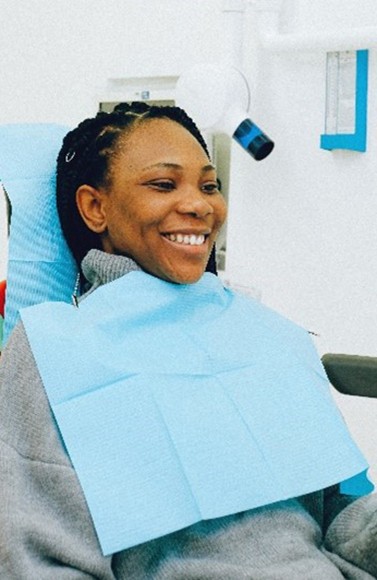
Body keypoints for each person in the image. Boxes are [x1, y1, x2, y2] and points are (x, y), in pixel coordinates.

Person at [0, 102, 376, 579]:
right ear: (95, 207)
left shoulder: (270, 335)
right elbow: (38, 559)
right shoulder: (56, 351)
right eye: (163, 184)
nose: (200, 205)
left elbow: (339, 516)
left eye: (209, 185)